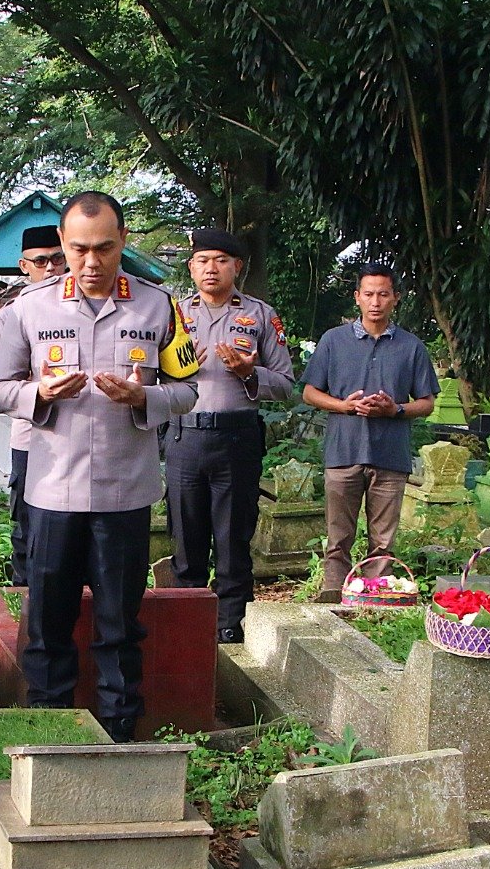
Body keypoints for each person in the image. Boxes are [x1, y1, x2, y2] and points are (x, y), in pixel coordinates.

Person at [0, 191, 199, 742]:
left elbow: (189, 388)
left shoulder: (158, 307)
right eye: (78, 249)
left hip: (126, 491)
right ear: (62, 245)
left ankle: (120, 726)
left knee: (119, 623)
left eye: (104, 248)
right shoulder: (27, 310)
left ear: (123, 241)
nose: (92, 262)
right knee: (47, 621)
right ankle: (48, 727)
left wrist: (143, 397)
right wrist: (39, 392)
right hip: (53, 488)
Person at [167, 228, 296, 644]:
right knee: (185, 536)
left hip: (236, 439)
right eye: (202, 261)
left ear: (236, 266)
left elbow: (285, 385)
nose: (211, 269)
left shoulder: (259, 315)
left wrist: (248, 372)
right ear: (191, 267)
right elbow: (151, 376)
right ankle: (186, 617)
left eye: (221, 260)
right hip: (185, 438)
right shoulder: (173, 316)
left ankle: (229, 624)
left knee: (232, 536)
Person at [301, 261, 438, 600]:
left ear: (395, 299)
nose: (375, 301)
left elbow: (427, 402)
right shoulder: (334, 341)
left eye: (383, 294)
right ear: (357, 298)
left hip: (390, 455)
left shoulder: (411, 346)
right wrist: (345, 406)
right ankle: (333, 594)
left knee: (383, 540)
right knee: (338, 534)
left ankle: (376, 599)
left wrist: (396, 409)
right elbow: (309, 391)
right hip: (343, 451)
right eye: (369, 294)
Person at [0, 223, 67, 587]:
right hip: (33, 440)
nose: (51, 269)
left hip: (85, 444)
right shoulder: (11, 316)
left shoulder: (89, 311)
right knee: (28, 533)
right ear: (23, 266)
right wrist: (39, 392)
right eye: (41, 261)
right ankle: (26, 615)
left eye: (59, 260)